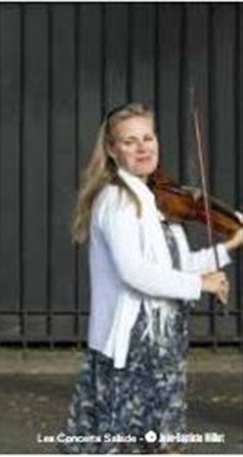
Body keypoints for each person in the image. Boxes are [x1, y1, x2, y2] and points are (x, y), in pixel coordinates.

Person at [59, 103, 243, 454]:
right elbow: (134, 271)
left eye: (148, 137)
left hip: (162, 339)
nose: (143, 147)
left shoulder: (156, 200)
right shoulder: (118, 200)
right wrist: (200, 284)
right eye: (130, 141)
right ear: (112, 150)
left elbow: (177, 265)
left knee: (162, 439)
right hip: (134, 342)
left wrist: (229, 246)